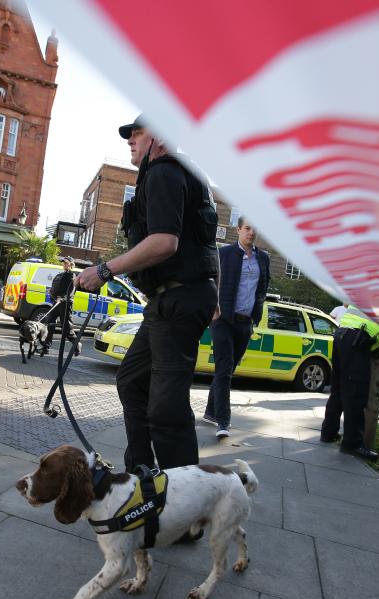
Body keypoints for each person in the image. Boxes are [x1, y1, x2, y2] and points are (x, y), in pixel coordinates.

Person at [77, 114, 218, 477]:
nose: (130, 140)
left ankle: (186, 503)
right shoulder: (182, 173)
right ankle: (141, 470)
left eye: (137, 134)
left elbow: (165, 242)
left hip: (178, 300)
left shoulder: (164, 172)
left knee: (166, 409)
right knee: (132, 381)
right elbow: (197, 243)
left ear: (158, 137)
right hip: (171, 300)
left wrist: (105, 270)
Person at [202, 216, 270, 439]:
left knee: (228, 370)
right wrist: (212, 306)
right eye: (247, 228)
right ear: (238, 229)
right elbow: (208, 280)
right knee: (224, 370)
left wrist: (256, 316)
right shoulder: (224, 254)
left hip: (245, 323)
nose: (251, 232)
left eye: (255, 229)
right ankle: (223, 421)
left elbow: (262, 289)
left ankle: (211, 413)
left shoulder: (264, 258)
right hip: (223, 320)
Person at [319, 305, 379, 461]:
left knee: (338, 388)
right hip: (358, 338)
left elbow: (346, 304)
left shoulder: (367, 284)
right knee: (355, 393)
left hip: (343, 333)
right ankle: (353, 444)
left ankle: (328, 433)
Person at [44, 256, 79, 356]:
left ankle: (77, 345)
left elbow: (70, 291)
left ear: (71, 265)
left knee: (67, 328)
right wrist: (52, 296)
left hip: (65, 304)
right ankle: (46, 347)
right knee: (49, 323)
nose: (64, 264)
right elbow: (54, 288)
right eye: (63, 263)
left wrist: (62, 298)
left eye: (66, 263)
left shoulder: (72, 276)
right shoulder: (60, 275)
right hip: (56, 302)